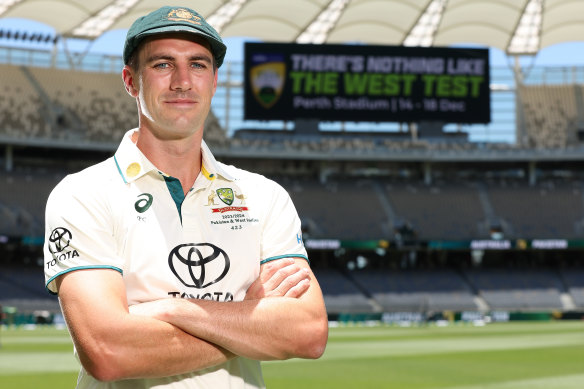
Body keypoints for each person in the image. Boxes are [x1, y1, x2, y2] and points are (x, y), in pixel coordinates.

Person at [43, 6, 328, 388]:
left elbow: (308, 332)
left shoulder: (264, 196)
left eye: (198, 65)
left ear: (213, 82)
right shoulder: (83, 194)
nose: (182, 81)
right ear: (131, 81)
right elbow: (108, 352)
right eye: (162, 65)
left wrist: (174, 310)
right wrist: (247, 318)